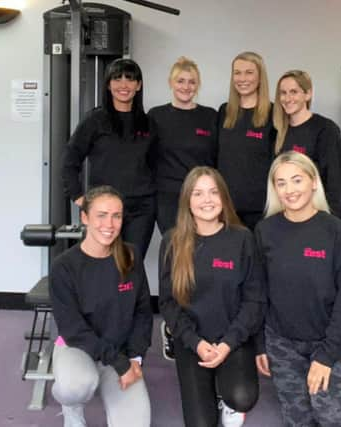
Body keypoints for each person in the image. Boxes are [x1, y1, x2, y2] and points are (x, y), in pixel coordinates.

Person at [254, 151, 341, 427]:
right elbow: (257, 295)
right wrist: (259, 346)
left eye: (297, 180)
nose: (290, 190)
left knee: (331, 419)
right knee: (300, 421)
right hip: (283, 343)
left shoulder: (336, 232)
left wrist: (326, 357)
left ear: (313, 182)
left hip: (326, 340)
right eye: (281, 183)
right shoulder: (265, 232)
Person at [159, 166, 264, 427]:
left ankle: (228, 400)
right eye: (198, 193)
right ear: (187, 201)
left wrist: (228, 343)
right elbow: (168, 302)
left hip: (233, 337)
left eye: (213, 192)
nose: (207, 200)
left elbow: (254, 300)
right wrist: (195, 342)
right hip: (192, 339)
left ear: (224, 197)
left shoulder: (242, 238)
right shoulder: (172, 241)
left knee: (241, 396)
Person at [50, 185, 153, 427]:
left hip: (120, 352)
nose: (110, 224)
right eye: (101, 215)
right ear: (85, 217)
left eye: (116, 216)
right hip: (78, 347)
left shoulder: (131, 256)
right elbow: (73, 328)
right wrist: (120, 363)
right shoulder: (64, 266)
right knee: (75, 387)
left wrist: (135, 358)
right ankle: (72, 409)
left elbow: (142, 312)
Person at [62, 58, 156, 258]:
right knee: (103, 263)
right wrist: (77, 196)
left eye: (130, 79)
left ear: (138, 85)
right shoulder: (95, 120)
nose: (124, 85)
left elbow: (156, 164)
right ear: (108, 84)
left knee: (131, 263)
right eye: (117, 79)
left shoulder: (148, 123)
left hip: (141, 209)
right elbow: (70, 160)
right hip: (105, 208)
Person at [148, 56, 218, 235]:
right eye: (180, 81)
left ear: (198, 85)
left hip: (202, 196)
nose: (186, 87)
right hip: (168, 198)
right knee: (175, 250)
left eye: (192, 82)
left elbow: (218, 159)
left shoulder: (210, 116)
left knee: (202, 250)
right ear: (171, 83)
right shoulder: (156, 116)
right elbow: (146, 157)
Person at [273, 70, 341, 219]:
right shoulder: (277, 129)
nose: (287, 98)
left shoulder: (325, 129)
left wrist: (333, 222)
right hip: (285, 216)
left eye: (294, 92)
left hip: (315, 216)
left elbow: (336, 183)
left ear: (307, 94)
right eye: (283, 93)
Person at [217, 51, 276, 230]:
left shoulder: (274, 114)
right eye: (237, 72)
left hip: (261, 209)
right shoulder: (224, 112)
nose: (242, 78)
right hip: (227, 208)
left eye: (249, 72)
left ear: (260, 77)